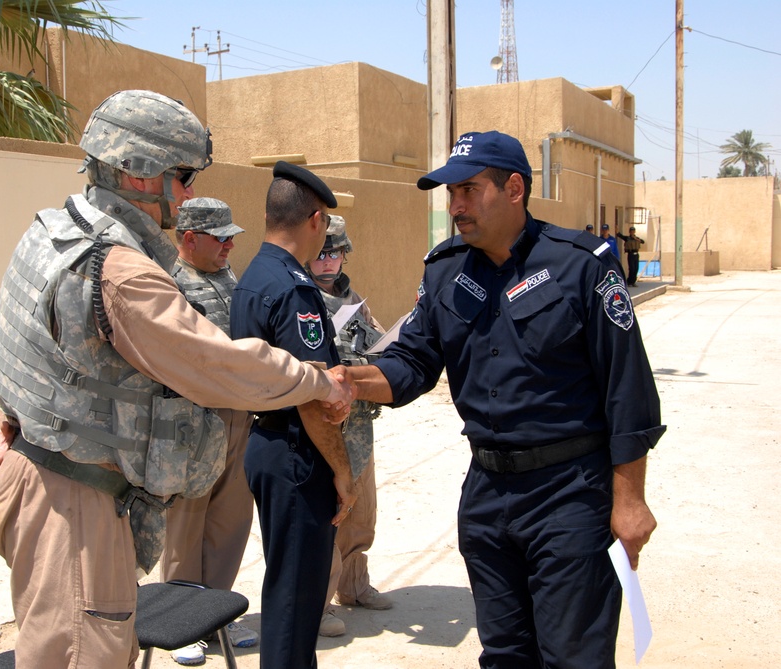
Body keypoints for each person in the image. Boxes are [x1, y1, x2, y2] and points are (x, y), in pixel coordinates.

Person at [0, 90, 353, 669]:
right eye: (182, 176)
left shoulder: (56, 231)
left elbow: (22, 361)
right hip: (73, 505)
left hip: (48, 479)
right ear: (139, 174)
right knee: (82, 654)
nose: (189, 193)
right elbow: (219, 366)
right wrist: (320, 383)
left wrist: (8, 425)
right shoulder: (116, 269)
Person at [328, 131, 665, 668]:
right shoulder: (445, 270)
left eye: (468, 190)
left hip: (571, 493)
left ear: (514, 188)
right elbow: (414, 361)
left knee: (572, 656)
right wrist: (350, 379)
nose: (455, 206)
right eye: (450, 194)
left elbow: (628, 391)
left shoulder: (581, 266)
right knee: (505, 654)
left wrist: (630, 500)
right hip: (487, 493)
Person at [231, 161, 358, 669]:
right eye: (325, 223)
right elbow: (312, 396)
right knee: (296, 593)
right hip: (296, 455)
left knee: (289, 581)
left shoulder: (251, 277)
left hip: (266, 444)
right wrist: (343, 471)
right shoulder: (294, 288)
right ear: (313, 221)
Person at [162, 197, 258, 665]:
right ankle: (182, 624)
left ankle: (217, 611)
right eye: (220, 238)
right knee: (187, 523)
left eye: (231, 237)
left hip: (238, 411)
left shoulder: (228, 278)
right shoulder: (168, 281)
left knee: (230, 517)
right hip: (192, 419)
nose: (230, 245)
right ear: (189, 239)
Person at [305, 215, 392, 639]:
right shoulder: (299, 297)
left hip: (359, 422)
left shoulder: (353, 298)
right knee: (326, 515)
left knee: (361, 512)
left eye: (335, 253)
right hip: (321, 424)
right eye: (321, 252)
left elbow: (375, 339)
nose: (327, 262)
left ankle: (354, 586)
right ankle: (316, 605)